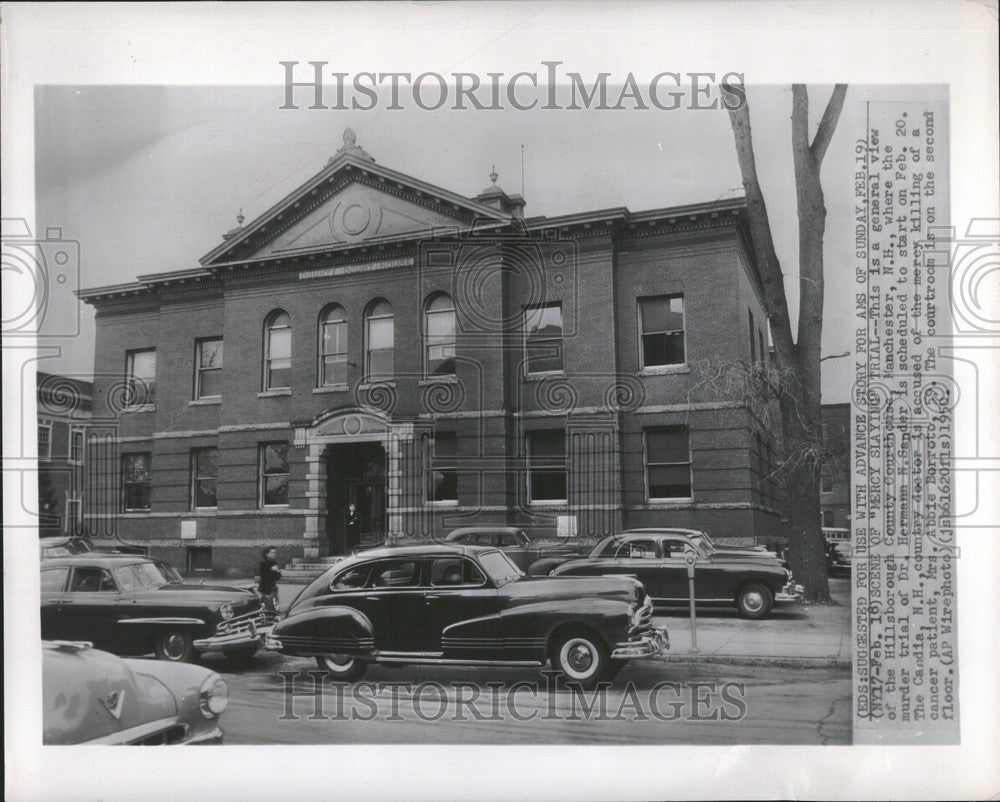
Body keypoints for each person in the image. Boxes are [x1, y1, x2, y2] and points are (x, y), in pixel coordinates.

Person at [258, 547, 282, 613]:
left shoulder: (274, 563)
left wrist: (277, 571)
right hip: (265, 589)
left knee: (274, 607)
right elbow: (264, 577)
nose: (274, 554)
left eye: (275, 553)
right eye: (272, 553)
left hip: (273, 588)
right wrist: (272, 570)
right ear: (267, 554)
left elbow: (278, 578)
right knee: (267, 608)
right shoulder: (263, 563)